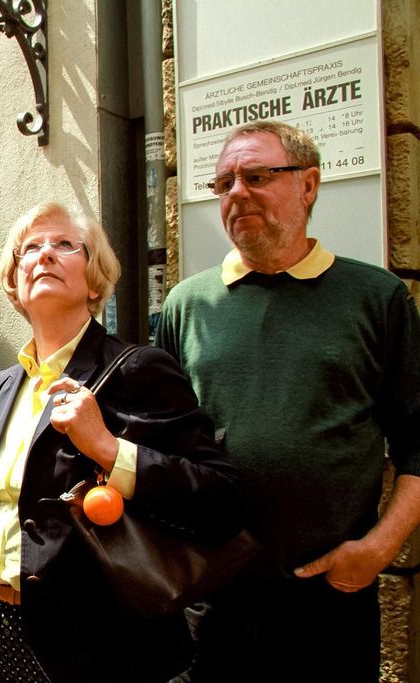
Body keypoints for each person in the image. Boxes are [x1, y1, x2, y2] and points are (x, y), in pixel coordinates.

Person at [156, 120, 420, 682]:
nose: (237, 193)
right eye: (224, 182)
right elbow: (162, 441)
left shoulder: (378, 298)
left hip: (330, 597)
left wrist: (379, 549)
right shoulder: (185, 304)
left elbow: (418, 443)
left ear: (308, 185)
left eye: (257, 175)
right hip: (212, 595)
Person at [0, 203, 243, 682]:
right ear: (14, 284)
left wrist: (107, 447)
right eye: (30, 249)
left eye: (64, 245)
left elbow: (219, 495)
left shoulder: (137, 369)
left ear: (96, 278)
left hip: (99, 648)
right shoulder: (2, 386)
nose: (44, 256)